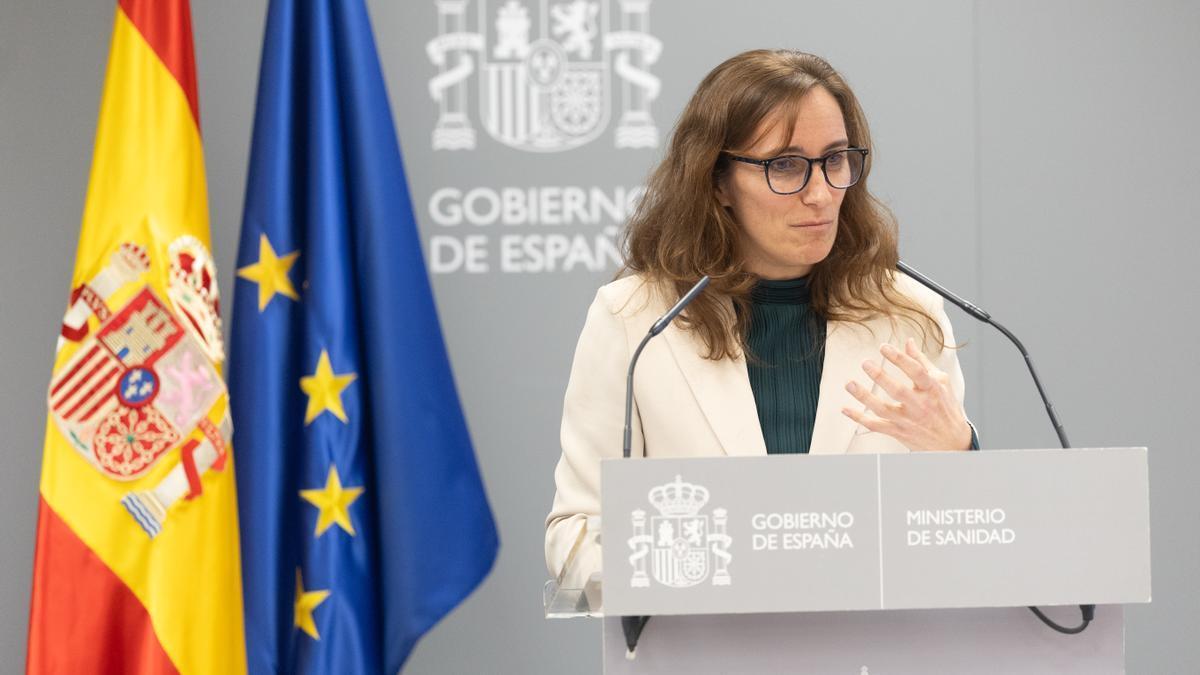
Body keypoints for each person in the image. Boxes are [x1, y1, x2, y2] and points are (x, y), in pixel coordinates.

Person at [545, 49, 977, 590]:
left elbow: (964, 529)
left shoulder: (908, 313)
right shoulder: (635, 320)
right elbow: (577, 531)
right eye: (786, 165)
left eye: (836, 159)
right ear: (718, 182)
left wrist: (959, 450)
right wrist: (687, 581)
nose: (820, 193)